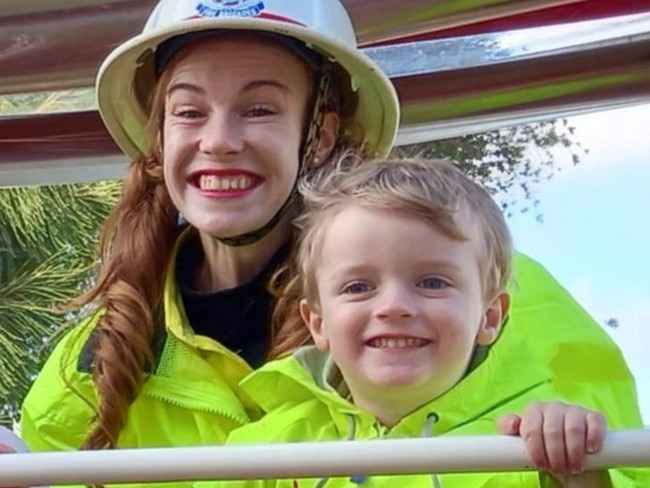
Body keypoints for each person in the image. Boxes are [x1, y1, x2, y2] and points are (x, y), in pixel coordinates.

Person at [10, 0, 643, 485]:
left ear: (321, 135)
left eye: (259, 110)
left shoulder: (498, 296)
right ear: (160, 139)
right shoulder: (90, 366)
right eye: (189, 111)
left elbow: (619, 468)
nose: (220, 140)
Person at [200, 157, 633, 488]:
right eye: (357, 287)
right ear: (318, 324)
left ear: (490, 316)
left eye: (431, 281)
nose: (394, 306)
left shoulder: (532, 441)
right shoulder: (265, 450)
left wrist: (579, 467)